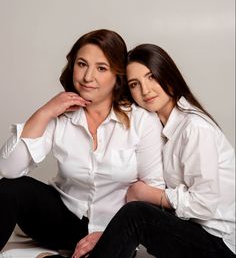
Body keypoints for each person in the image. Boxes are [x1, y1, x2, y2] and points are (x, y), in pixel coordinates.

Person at [0, 32, 165, 258]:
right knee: (10, 189)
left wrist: (111, 234)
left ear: (118, 76)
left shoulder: (142, 121)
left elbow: (152, 192)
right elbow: (9, 170)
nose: (88, 77)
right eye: (82, 64)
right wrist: (45, 112)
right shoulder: (61, 114)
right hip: (64, 220)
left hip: (116, 228)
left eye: (101, 68)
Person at [88, 43, 235, 258]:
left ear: (167, 75)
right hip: (193, 231)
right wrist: (109, 234)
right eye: (134, 84)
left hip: (220, 244)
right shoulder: (157, 127)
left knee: (137, 214)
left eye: (151, 77)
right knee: (135, 216)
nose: (145, 90)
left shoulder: (194, 128)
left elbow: (204, 205)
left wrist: (147, 194)